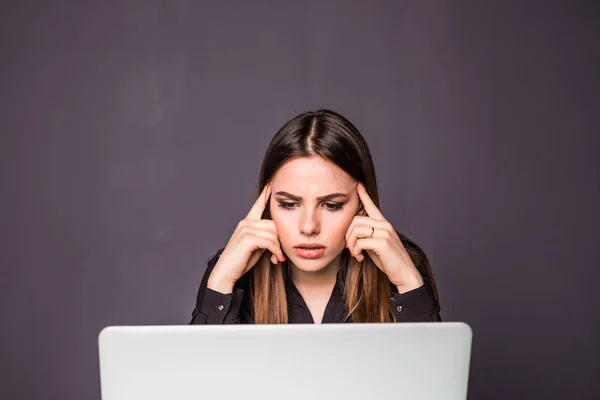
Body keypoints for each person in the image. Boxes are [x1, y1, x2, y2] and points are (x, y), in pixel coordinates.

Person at [189, 109, 441, 324]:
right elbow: (197, 378)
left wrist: (409, 283)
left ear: (362, 207)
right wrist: (221, 284)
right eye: (288, 204)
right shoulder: (233, 273)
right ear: (267, 205)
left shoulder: (402, 265)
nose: (309, 226)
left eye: (331, 205)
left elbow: (438, 377)